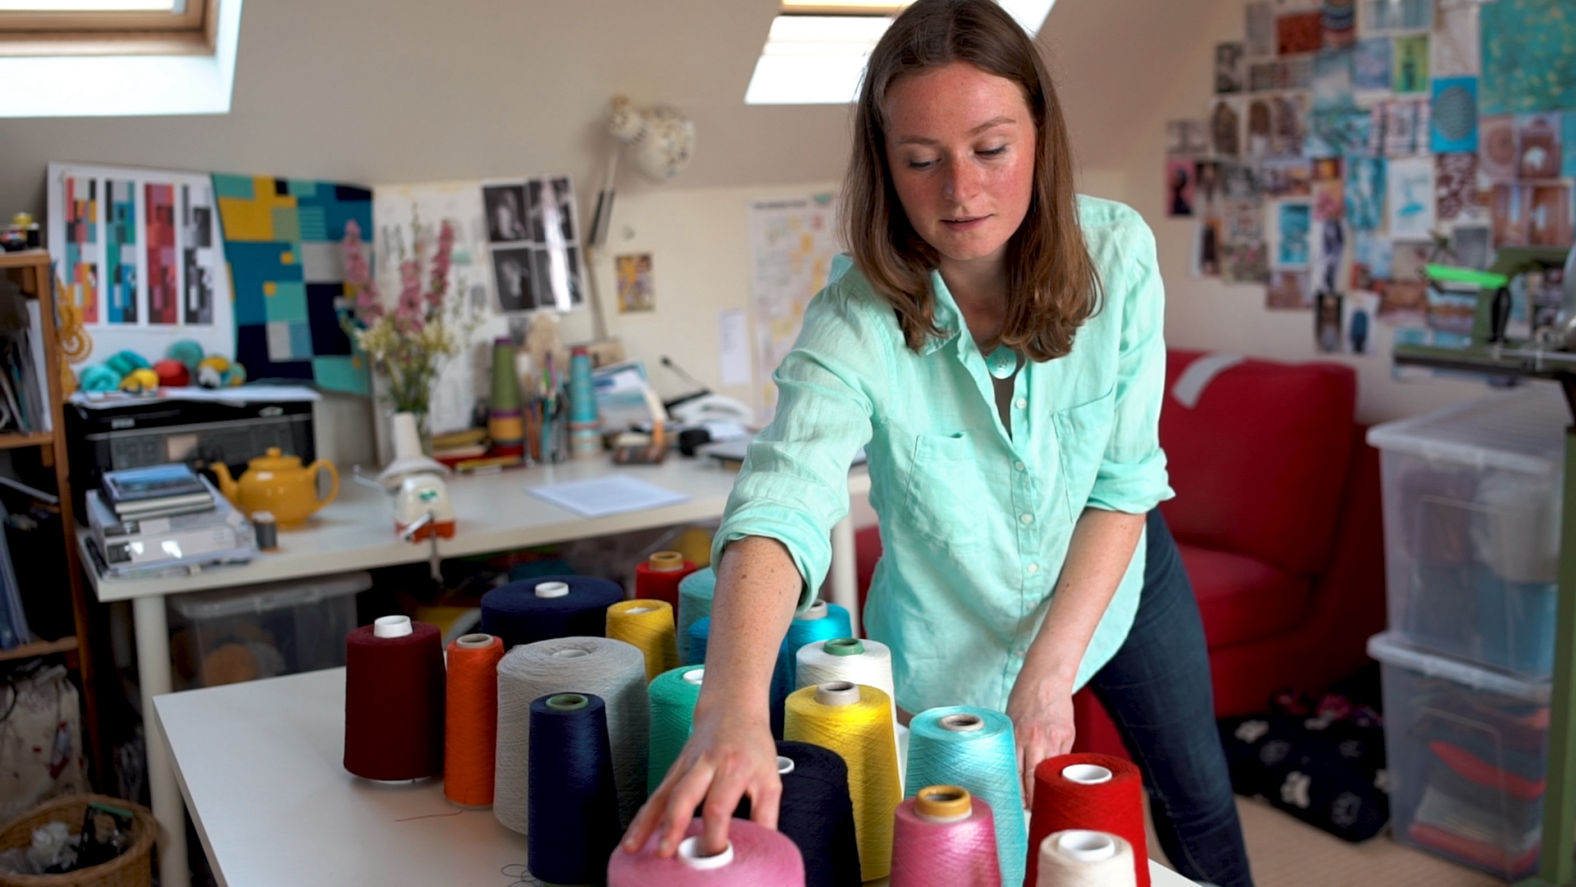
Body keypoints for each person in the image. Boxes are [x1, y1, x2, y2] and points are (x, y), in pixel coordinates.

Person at [621, 2, 1255, 885]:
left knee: (1200, 804)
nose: (960, 191)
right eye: (922, 161)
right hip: (942, 635)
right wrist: (730, 707)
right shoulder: (856, 317)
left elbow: (1120, 485)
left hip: (1114, 586)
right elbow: (783, 495)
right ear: (885, 164)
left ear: (1040, 134)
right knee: (943, 850)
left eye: (991, 150)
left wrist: (1048, 673)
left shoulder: (1120, 258)